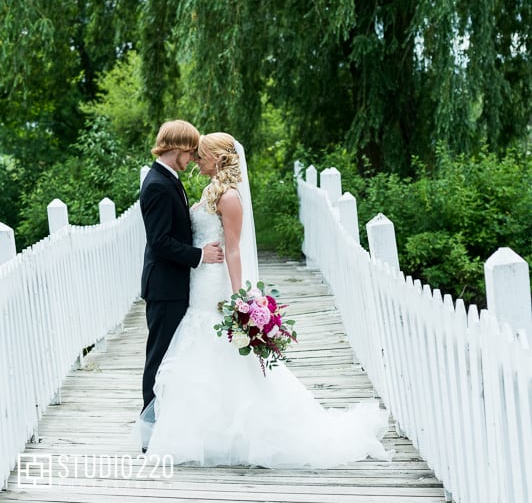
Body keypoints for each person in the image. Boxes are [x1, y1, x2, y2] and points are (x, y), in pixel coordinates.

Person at [136, 132, 389, 467]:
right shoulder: (210, 191)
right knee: (196, 351)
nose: (196, 160)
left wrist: (240, 296)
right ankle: (200, 429)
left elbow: (235, 249)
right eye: (193, 155)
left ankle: (228, 431)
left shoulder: (229, 197)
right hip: (198, 279)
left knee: (215, 347)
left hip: (214, 282)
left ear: (219, 158)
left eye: (201, 155)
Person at [139, 120, 224, 415]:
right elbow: (160, 241)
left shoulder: (169, 178)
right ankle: (149, 426)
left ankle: (166, 419)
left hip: (175, 283)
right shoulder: (157, 185)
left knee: (171, 355)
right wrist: (199, 255)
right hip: (164, 286)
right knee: (160, 358)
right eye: (190, 152)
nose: (193, 158)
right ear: (175, 148)